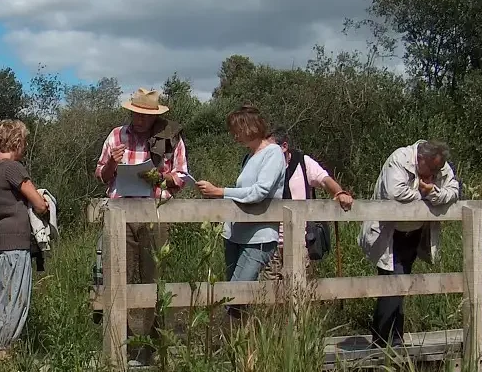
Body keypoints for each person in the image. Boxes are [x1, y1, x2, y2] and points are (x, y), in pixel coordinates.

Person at [94, 88, 188, 365]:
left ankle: (153, 347)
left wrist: (158, 177)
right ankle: (119, 345)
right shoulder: (116, 135)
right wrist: (112, 163)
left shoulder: (170, 139)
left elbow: (182, 176)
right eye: (136, 113)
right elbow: (100, 175)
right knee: (117, 277)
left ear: (155, 116)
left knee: (154, 279)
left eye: (146, 115)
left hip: (154, 212)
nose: (140, 119)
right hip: (119, 212)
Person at [360, 140, 459, 347]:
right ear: (420, 159)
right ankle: (384, 340)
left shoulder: (439, 163)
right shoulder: (400, 159)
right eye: (431, 169)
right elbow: (395, 193)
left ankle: (392, 338)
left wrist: (433, 192)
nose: (435, 173)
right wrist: (425, 194)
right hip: (389, 233)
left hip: (414, 233)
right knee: (393, 283)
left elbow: (454, 191)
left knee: (400, 284)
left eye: (437, 169)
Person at [196, 104, 286, 320]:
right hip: (236, 234)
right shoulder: (250, 156)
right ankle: (238, 336)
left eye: (237, 130)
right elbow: (244, 192)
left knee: (236, 295)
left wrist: (220, 191)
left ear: (250, 128)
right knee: (234, 295)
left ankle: (233, 335)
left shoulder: (273, 153)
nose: (234, 136)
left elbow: (260, 191)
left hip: (259, 236)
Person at [0, 120, 48, 360]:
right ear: (17, 142)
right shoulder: (12, 168)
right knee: (16, 298)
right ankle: (5, 354)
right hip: (16, 242)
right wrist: (45, 203)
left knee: (1, 296)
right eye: (24, 141)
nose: (25, 147)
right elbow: (39, 204)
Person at [261, 127, 354, 279]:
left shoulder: (302, 162)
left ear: (284, 146)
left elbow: (324, 179)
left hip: (299, 240)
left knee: (299, 287)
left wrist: (339, 193)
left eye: (270, 149)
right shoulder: (263, 167)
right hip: (269, 240)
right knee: (269, 288)